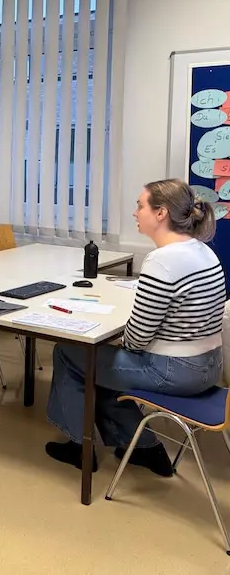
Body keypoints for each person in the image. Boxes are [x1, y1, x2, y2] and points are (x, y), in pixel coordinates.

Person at [45, 179, 225, 476]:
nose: (135, 212)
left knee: (69, 352)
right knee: (100, 361)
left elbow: (137, 339)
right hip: (210, 366)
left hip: (177, 371)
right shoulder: (203, 251)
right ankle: (143, 447)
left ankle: (79, 447)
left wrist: (122, 343)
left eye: (140, 206)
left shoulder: (162, 261)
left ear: (161, 213)